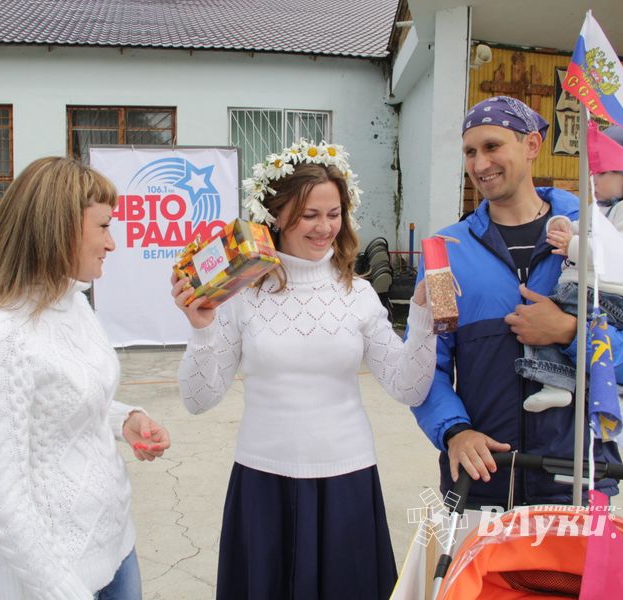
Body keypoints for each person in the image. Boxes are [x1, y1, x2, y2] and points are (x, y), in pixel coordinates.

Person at [172, 140, 437, 600]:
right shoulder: (242, 294)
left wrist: (422, 318)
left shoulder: (357, 294)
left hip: (347, 479)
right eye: (310, 215)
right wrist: (202, 331)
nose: (325, 227)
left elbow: (408, 387)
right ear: (275, 216)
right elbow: (198, 400)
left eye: (333, 214)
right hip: (262, 480)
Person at [410, 96, 623, 507]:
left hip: (579, 475)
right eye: (470, 152)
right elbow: (426, 365)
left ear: (531, 145)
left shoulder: (599, 233)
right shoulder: (448, 250)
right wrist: (454, 431)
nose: (480, 164)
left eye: (493, 147)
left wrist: (569, 331)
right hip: (483, 477)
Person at [0, 157, 171, 600]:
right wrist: (64, 590)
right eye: (103, 227)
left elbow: (64, 399)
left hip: (117, 549)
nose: (112, 243)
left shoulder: (73, 303)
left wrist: (126, 420)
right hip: (54, 579)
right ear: (59, 229)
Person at [516, 123, 623, 412]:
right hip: (595, 290)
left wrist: (572, 245)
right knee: (548, 317)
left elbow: (617, 254)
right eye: (594, 171)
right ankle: (611, 388)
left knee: (543, 317)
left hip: (613, 296)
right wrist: (560, 226)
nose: (595, 178)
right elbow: (583, 228)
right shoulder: (606, 208)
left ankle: (556, 382)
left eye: (605, 171)